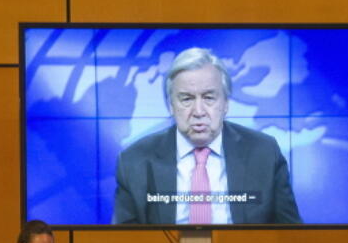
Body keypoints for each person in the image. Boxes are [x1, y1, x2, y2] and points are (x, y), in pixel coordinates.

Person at [113, 47, 302, 225]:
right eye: (186, 99)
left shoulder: (264, 153)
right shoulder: (135, 160)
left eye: (209, 97)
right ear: (171, 106)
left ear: (226, 103)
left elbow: (291, 236)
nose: (198, 111)